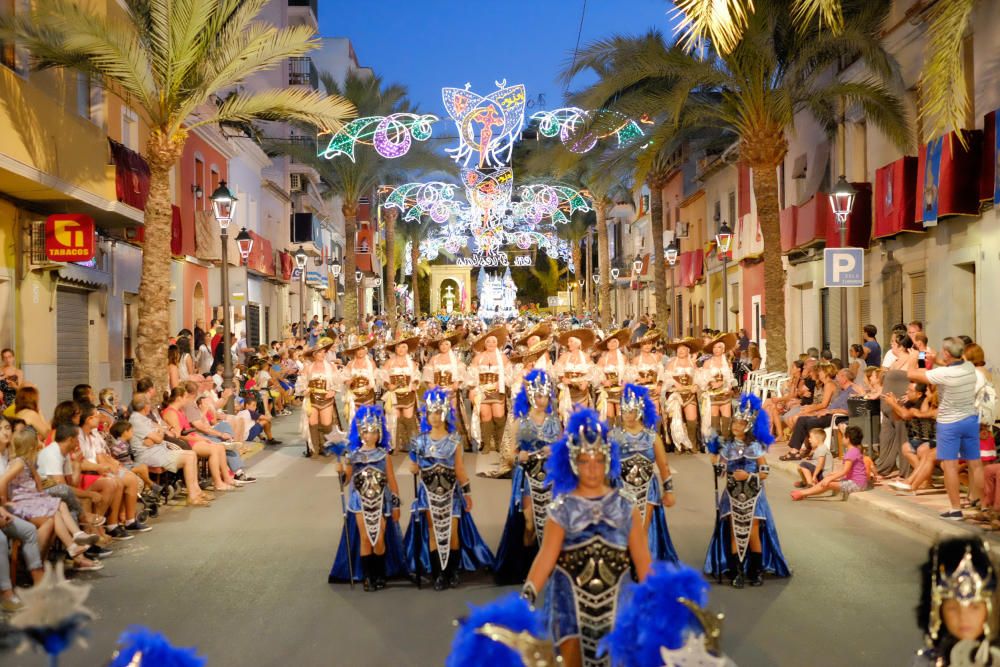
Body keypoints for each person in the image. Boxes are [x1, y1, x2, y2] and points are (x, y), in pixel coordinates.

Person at [522, 407, 652, 667]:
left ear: (608, 461)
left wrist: (659, 599)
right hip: (569, 606)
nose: (592, 469)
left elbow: (643, 561)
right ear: (572, 463)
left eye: (598, 461)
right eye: (584, 461)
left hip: (618, 605)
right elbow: (546, 556)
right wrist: (526, 597)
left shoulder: (626, 506)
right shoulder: (561, 508)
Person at [404, 387, 494, 590]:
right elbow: (414, 465)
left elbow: (460, 469)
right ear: (426, 414)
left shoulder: (455, 441)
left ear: (445, 414)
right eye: (431, 412)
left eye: (438, 412)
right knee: (433, 532)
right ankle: (438, 574)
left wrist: (467, 492)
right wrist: (413, 467)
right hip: (427, 494)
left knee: (452, 533)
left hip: (452, 493)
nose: (434, 417)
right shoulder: (420, 441)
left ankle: (452, 571)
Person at [705, 393, 790, 588]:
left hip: (753, 495)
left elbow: (765, 471)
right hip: (732, 495)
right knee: (735, 532)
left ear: (748, 426)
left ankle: (756, 571)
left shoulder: (755, 446)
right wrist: (715, 459)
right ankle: (737, 572)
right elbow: (721, 471)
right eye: (735, 422)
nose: (736, 426)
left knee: (752, 533)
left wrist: (749, 477)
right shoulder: (726, 446)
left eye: (741, 424)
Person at [328, 405, 407, 591]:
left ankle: (380, 574)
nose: (369, 436)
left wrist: (396, 505)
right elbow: (346, 481)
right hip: (359, 502)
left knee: (379, 538)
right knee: (365, 538)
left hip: (382, 501)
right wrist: (340, 472)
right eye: (365, 431)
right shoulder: (353, 456)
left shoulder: (384, 455)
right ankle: (368, 576)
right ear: (360, 433)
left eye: (373, 432)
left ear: (379, 433)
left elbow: (391, 481)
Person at [0, 428, 102, 571]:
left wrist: (43, 496)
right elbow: (3, 481)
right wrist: (5, 502)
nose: (41, 443)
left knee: (60, 504)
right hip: (23, 500)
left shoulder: (27, 461)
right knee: (56, 510)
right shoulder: (19, 462)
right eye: (38, 441)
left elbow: (38, 483)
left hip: (32, 497)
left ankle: (77, 535)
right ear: (31, 445)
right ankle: (72, 545)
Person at [494, 370, 561, 585]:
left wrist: (556, 451)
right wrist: (518, 456)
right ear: (531, 396)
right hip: (528, 480)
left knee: (551, 523)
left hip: (550, 479)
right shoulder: (519, 423)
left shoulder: (554, 421)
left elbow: (562, 447)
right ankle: (527, 565)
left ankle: (549, 563)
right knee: (529, 524)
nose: (543, 399)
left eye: (546, 395)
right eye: (539, 395)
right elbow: (507, 454)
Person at [909, 337, 982, 520]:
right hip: (970, 420)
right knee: (975, 463)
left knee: (950, 466)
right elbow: (947, 364)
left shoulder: (943, 374)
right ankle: (983, 504)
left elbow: (913, 374)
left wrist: (915, 356)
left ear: (947, 353)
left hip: (949, 423)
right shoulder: (969, 368)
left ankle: (955, 509)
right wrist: (932, 358)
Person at [609, 384, 678, 563]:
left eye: (630, 411)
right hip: (621, 489)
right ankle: (625, 563)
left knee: (642, 528)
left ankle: (640, 564)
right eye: (624, 411)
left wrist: (668, 491)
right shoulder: (613, 436)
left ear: (639, 411)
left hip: (647, 488)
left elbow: (664, 466)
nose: (626, 415)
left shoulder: (651, 437)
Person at [913, 537, 1000, 666]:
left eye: (974, 607)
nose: (963, 617)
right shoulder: (927, 661)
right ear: (937, 609)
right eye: (952, 608)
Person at [128, 395, 211, 507]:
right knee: (189, 457)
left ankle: (197, 492)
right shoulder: (136, 420)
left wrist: (158, 434)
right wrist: (159, 433)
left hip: (157, 451)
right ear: (145, 406)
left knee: (192, 454)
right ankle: (192, 496)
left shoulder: (143, 418)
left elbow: (158, 434)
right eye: (149, 404)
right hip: (149, 455)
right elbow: (158, 437)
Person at [792, 425, 871, 501]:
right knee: (828, 479)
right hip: (856, 482)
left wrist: (830, 478)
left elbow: (845, 471)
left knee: (828, 483)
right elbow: (848, 470)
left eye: (843, 436)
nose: (842, 439)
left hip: (856, 484)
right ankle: (804, 493)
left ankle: (802, 493)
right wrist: (833, 475)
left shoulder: (851, 453)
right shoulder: (854, 450)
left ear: (848, 439)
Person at [885, 383, 939, 493]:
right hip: (918, 439)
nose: (906, 392)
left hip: (932, 439)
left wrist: (893, 404)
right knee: (906, 447)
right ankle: (924, 479)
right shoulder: (910, 402)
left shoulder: (929, 402)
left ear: (919, 394)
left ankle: (913, 481)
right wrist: (895, 405)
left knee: (922, 450)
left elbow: (907, 415)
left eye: (909, 390)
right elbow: (898, 417)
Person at [468, 328, 512, 457]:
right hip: (482, 391)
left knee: (499, 415)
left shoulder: (503, 358)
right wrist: (473, 389)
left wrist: (501, 382)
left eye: (494, 342)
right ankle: (486, 443)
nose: (491, 344)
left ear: (497, 343)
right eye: (489, 342)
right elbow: (472, 374)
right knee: (485, 416)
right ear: (484, 344)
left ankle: (499, 442)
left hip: (498, 391)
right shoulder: (478, 358)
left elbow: (509, 374)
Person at [298, 338, 341, 458]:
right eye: (319, 352)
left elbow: (338, 381)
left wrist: (333, 391)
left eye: (323, 352)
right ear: (314, 354)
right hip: (312, 399)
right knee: (312, 423)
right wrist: (304, 390)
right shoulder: (308, 367)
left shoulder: (331, 366)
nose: (322, 354)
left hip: (326, 398)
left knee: (327, 424)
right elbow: (301, 382)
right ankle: (315, 449)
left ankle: (326, 446)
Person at [382, 334, 422, 453]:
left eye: (404, 347)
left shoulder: (412, 363)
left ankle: (409, 444)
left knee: (409, 418)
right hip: (393, 395)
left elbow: (417, 376)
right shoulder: (389, 362)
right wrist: (388, 385)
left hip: (408, 394)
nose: (401, 350)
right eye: (399, 347)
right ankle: (394, 445)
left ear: (407, 349)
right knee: (393, 418)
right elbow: (382, 377)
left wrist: (415, 383)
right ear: (395, 348)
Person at [663, 337, 701, 452]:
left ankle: (692, 443)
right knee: (676, 419)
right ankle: (678, 444)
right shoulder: (671, 363)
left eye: (683, 349)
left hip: (689, 394)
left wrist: (695, 385)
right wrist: (675, 384)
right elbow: (666, 377)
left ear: (688, 351)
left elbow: (698, 377)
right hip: (675, 395)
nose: (681, 351)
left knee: (692, 419)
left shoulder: (692, 363)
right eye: (679, 349)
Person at [698, 333, 738, 438]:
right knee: (714, 423)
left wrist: (728, 386)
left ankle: (726, 443)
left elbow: (731, 379)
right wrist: (711, 383)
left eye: (719, 347)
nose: (716, 349)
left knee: (726, 421)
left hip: (725, 394)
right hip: (712, 395)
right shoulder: (707, 362)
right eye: (714, 347)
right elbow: (702, 380)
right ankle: (716, 443)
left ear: (723, 350)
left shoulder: (728, 363)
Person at [554, 329, 596, 422]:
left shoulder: (585, 357)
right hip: (567, 391)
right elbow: (556, 371)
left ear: (578, 343)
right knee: (568, 417)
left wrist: (586, 381)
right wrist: (563, 378)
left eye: (571, 341)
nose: (569, 344)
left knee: (580, 417)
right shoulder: (564, 356)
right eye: (568, 342)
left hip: (581, 391)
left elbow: (592, 372)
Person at [594, 329, 630, 427]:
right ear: (606, 344)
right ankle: (610, 439)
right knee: (609, 416)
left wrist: (625, 382)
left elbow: (629, 373)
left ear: (618, 343)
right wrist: (603, 381)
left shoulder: (624, 358)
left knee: (620, 415)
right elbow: (596, 374)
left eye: (614, 341)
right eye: (609, 341)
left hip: (621, 390)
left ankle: (620, 438)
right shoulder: (602, 360)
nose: (612, 343)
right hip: (607, 391)